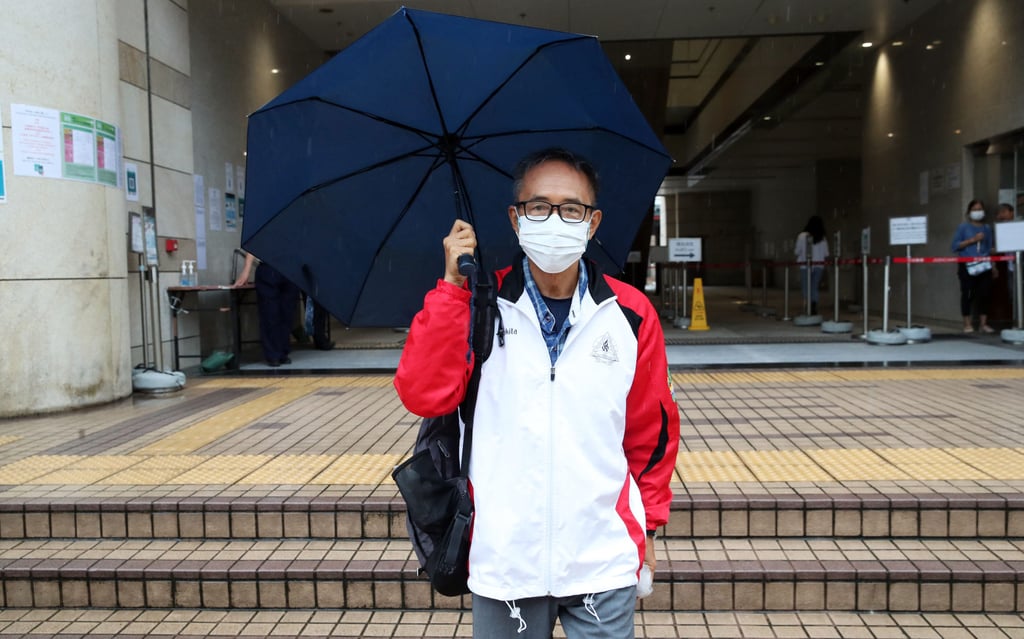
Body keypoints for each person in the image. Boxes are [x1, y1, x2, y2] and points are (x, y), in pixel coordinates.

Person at [394, 148, 680, 639]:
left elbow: (651, 433)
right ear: (515, 217)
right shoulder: (480, 305)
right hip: (507, 561)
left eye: (571, 209)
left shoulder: (630, 315)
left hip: (601, 556)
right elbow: (423, 395)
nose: (555, 220)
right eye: (539, 207)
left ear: (592, 223)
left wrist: (648, 525)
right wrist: (451, 289)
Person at [234, 251, 300, 365]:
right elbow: (252, 246)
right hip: (270, 267)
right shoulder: (262, 232)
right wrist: (246, 270)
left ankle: (282, 352)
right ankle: (273, 354)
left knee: (287, 313)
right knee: (269, 313)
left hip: (290, 268)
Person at [951, 199, 996, 333]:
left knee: (985, 294)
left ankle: (983, 324)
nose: (978, 212)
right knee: (968, 294)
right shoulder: (963, 227)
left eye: (980, 209)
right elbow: (955, 246)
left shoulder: (987, 228)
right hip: (967, 265)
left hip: (984, 265)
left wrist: (994, 265)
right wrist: (972, 240)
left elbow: (989, 248)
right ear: (969, 212)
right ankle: (967, 323)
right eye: (975, 209)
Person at [794, 215, 829, 315]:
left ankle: (807, 306)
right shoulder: (822, 238)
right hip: (819, 266)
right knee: (814, 287)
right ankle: (814, 305)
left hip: (805, 265)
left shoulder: (802, 236)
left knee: (806, 286)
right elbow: (826, 253)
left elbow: (797, 251)